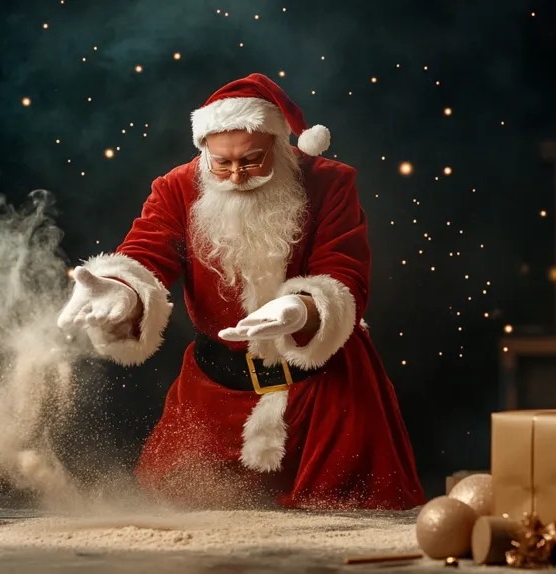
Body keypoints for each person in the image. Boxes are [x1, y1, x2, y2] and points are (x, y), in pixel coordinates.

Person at [57, 73, 425, 510]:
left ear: (279, 144)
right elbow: (147, 251)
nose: (234, 176)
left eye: (251, 161)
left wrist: (302, 308)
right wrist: (125, 289)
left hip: (325, 390)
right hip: (216, 388)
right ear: (204, 151)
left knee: (351, 513)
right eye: (221, 163)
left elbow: (343, 269)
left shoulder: (330, 182)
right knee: (172, 506)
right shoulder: (177, 187)